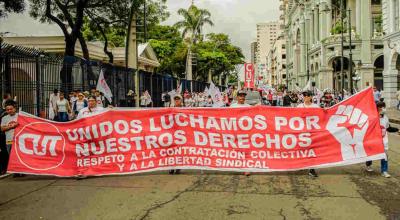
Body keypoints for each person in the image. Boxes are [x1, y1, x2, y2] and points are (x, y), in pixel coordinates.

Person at [365, 102, 391, 178]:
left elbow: (388, 128)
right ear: (377, 108)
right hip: (373, 139)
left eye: (383, 107)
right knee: (371, 153)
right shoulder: (372, 116)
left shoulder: (386, 117)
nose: (382, 108)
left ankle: (384, 171)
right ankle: (368, 164)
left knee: (384, 155)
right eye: (380, 107)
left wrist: (397, 129)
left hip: (383, 141)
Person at [297, 91, 319, 178]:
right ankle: (302, 164)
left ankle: (311, 169)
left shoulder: (315, 107)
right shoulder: (299, 106)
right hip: (302, 132)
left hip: (312, 132)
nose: (305, 97)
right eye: (304, 96)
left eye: (307, 96)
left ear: (311, 97)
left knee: (311, 150)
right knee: (302, 149)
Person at [230, 90, 251, 176]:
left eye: (243, 96)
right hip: (235, 132)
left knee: (245, 151)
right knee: (236, 150)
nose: (242, 97)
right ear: (237, 97)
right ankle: (237, 165)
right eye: (240, 96)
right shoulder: (232, 107)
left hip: (246, 133)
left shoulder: (249, 106)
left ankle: (246, 168)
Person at [0, 100, 23, 177]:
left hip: (19, 140)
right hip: (9, 140)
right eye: (7, 109)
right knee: (11, 156)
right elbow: (2, 129)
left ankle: (21, 171)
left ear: (15, 108)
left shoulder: (20, 116)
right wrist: (12, 126)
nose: (9, 111)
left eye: (11, 109)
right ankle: (16, 172)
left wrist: (18, 124)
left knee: (20, 155)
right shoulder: (4, 118)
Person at [169, 95, 184, 175]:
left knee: (179, 151)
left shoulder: (185, 109)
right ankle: (171, 167)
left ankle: (178, 167)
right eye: (175, 99)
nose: (177, 101)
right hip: (172, 132)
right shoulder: (170, 109)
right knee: (171, 151)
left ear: (181, 101)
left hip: (181, 133)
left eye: (178, 99)